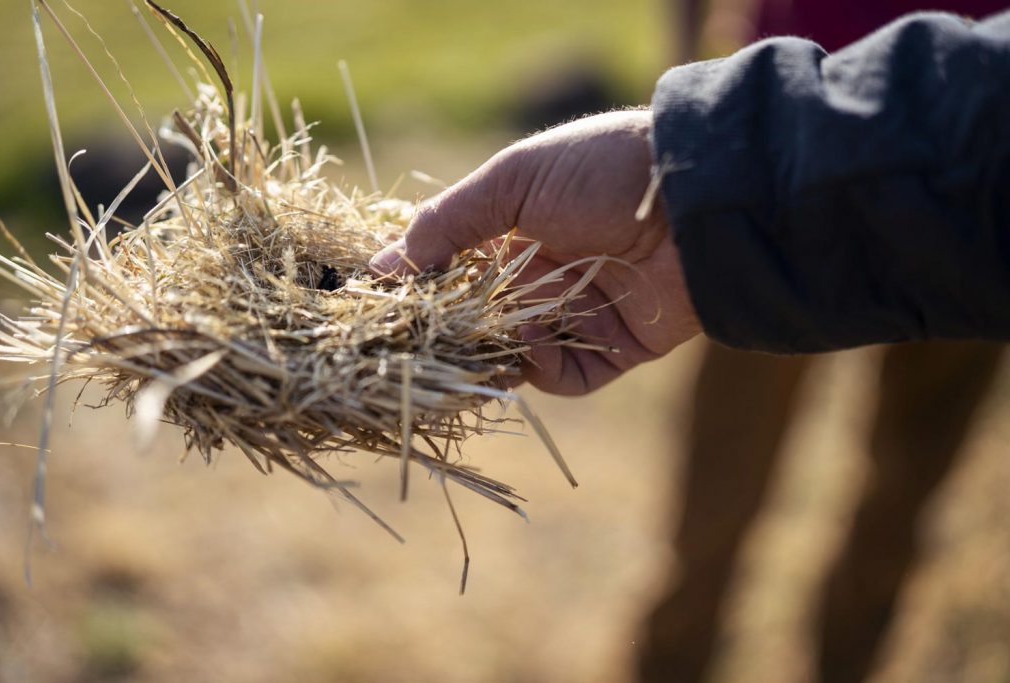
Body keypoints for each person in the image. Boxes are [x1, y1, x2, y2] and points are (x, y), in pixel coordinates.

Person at [371, 8, 1008, 679]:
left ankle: (847, 663)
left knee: (899, 497)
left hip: (924, 181)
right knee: (717, 504)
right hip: (764, 166)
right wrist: (684, 143)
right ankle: (674, 663)